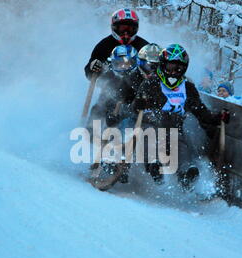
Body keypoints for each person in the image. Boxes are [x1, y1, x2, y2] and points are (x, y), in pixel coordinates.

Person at [132, 44, 230, 191]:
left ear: (183, 68)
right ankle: (154, 166)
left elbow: (200, 111)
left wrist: (217, 118)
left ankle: (186, 175)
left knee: (181, 147)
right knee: (150, 137)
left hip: (174, 130)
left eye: (178, 68)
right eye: (170, 67)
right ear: (163, 65)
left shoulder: (188, 88)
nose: (173, 72)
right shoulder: (151, 83)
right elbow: (135, 107)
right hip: (150, 126)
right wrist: (139, 103)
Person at [90, 45, 144, 184]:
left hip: (133, 113)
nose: (123, 67)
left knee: (128, 129)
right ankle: (96, 152)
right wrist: (108, 114)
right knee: (99, 116)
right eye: (118, 63)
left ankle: (123, 165)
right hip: (112, 110)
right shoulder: (109, 77)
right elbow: (104, 102)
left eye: (127, 63)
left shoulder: (140, 78)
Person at [84, 8, 149, 80]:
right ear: (114, 27)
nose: (126, 34)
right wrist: (92, 67)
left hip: (139, 86)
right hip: (111, 86)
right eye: (122, 29)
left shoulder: (143, 46)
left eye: (130, 29)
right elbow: (89, 74)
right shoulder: (104, 46)